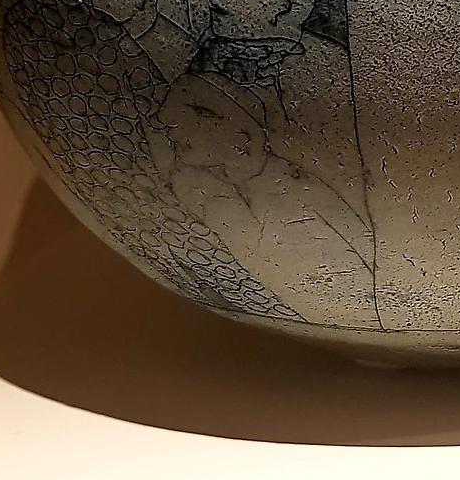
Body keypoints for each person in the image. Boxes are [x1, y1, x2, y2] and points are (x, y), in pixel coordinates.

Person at [155, 73, 377, 328]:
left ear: (229, 126)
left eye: (179, 125)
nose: (173, 135)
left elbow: (344, 290)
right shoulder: (226, 186)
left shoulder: (291, 192)